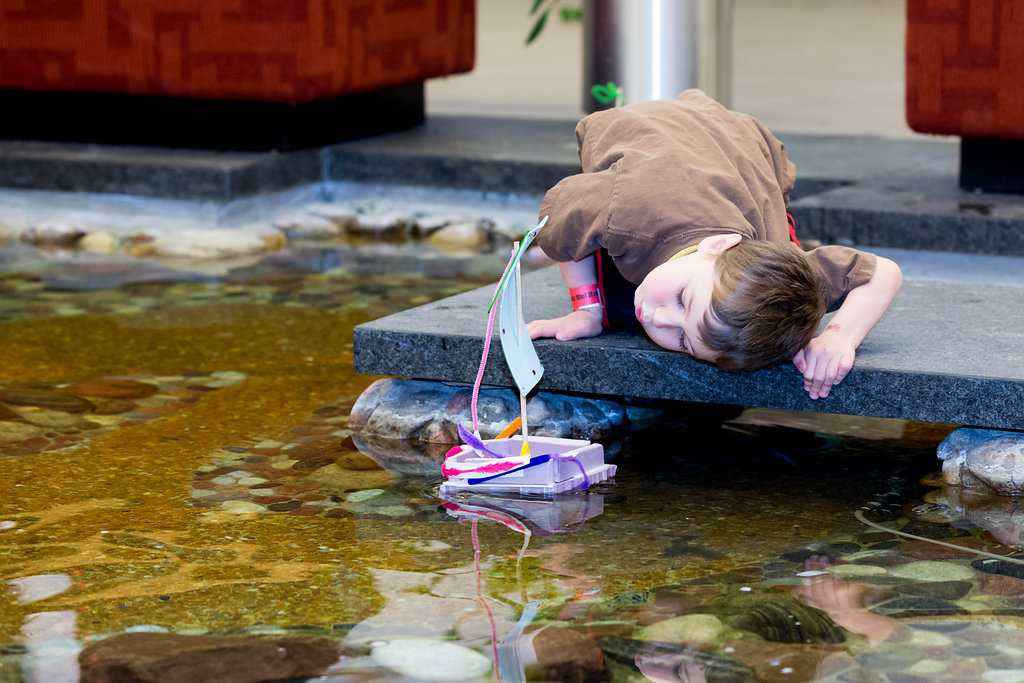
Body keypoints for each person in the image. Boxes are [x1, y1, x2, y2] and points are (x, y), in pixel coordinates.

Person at [526, 90, 902, 400]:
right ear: (718, 245)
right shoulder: (625, 211)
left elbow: (883, 273)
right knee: (577, 245)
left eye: (683, 341)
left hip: (738, 156)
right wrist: (586, 309)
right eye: (682, 299)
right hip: (648, 129)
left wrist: (840, 338)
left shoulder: (783, 279)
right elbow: (566, 218)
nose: (658, 318)